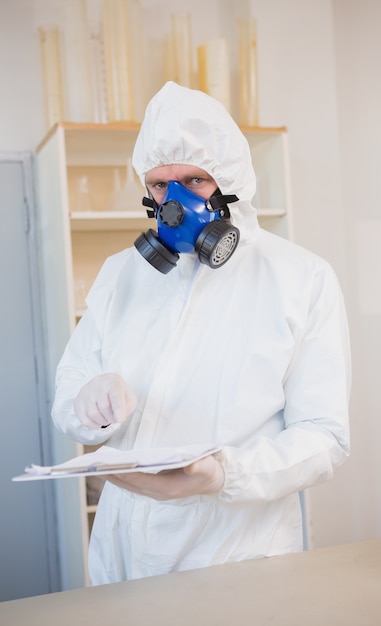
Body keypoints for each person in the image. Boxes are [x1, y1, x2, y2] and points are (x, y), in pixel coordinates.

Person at [52, 81, 351, 585]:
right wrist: (88, 402)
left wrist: (223, 474)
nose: (175, 203)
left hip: (237, 558)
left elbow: (325, 437)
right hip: (123, 554)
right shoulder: (120, 274)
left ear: (230, 179)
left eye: (195, 179)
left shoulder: (301, 279)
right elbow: (68, 391)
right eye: (159, 185)